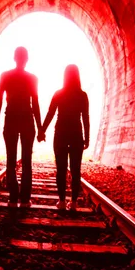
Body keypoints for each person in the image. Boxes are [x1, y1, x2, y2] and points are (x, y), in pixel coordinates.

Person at [0, 47, 43, 208]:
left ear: (14, 58)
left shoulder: (5, 76)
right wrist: (40, 127)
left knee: (11, 160)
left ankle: (13, 198)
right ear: (27, 59)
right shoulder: (32, 78)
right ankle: (25, 199)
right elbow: (35, 103)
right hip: (27, 120)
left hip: (11, 119)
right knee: (27, 160)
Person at [38, 65, 89, 210]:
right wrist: (87, 138)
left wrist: (42, 130)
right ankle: (73, 203)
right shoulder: (82, 95)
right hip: (76, 134)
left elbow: (50, 113)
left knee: (61, 168)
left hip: (60, 133)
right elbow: (85, 118)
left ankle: (61, 202)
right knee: (75, 169)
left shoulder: (59, 93)